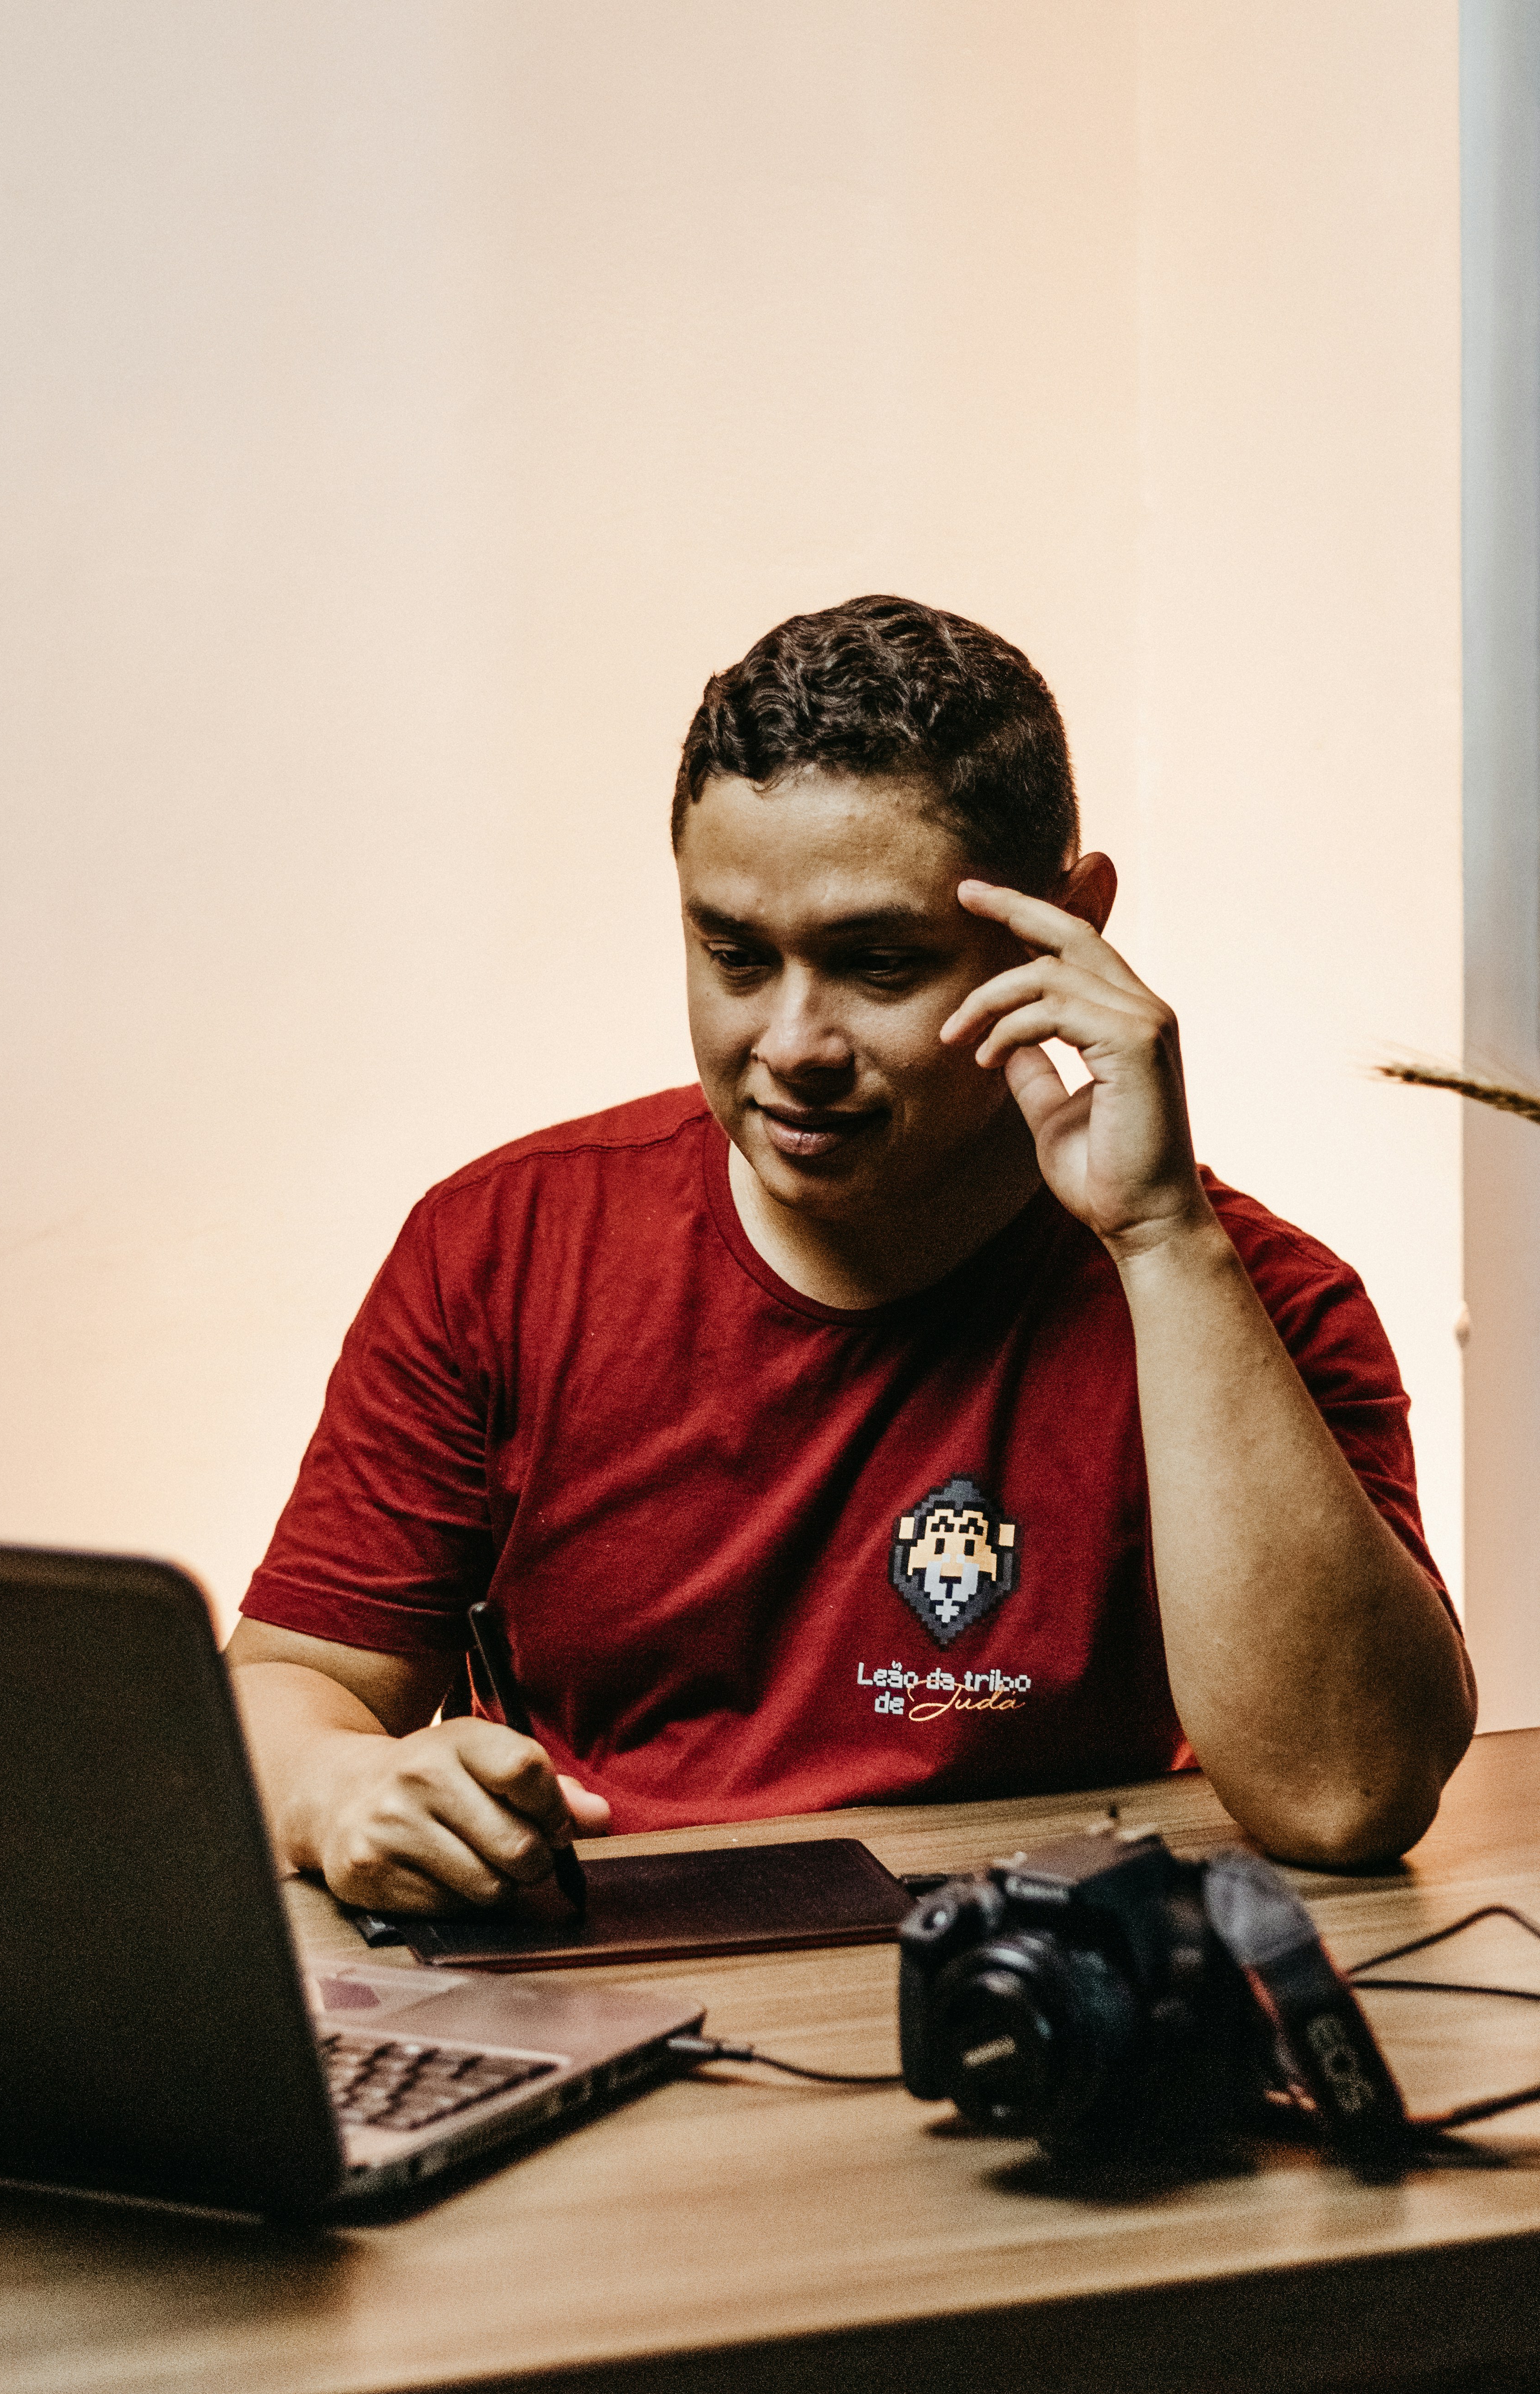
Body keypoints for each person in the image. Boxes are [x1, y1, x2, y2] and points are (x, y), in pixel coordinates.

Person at [228, 595, 1476, 1912]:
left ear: (1071, 925)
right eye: (734, 955)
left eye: (880, 963)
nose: (795, 1043)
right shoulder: (498, 1249)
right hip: (618, 2014)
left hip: (1051, 2030)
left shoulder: (1257, 1300)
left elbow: (1347, 1793)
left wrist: (1161, 1239)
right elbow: (284, 1689)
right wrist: (338, 1789)